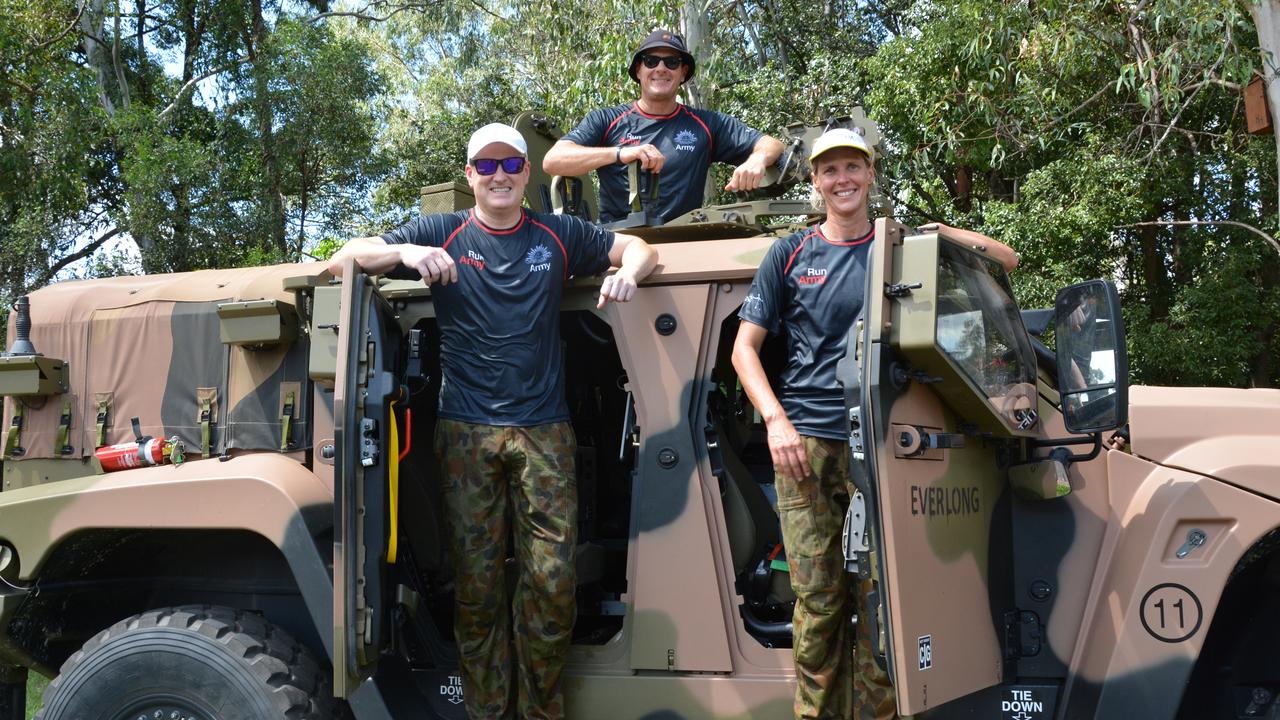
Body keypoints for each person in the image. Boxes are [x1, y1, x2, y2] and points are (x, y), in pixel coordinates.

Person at [328, 122, 657, 720]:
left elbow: (638, 247)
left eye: (511, 165)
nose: (499, 175)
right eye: (487, 166)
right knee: (477, 587)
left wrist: (628, 272)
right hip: (466, 431)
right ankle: (486, 711)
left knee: (552, 584)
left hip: (544, 429)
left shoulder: (556, 235)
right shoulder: (440, 231)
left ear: (528, 173)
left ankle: (539, 709)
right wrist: (405, 251)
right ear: (469, 175)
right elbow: (341, 262)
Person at [731, 128, 1016, 720]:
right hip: (806, 444)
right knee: (818, 600)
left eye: (853, 168)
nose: (842, 180)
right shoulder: (790, 255)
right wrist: (776, 423)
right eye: (829, 170)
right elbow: (743, 350)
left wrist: (935, 235)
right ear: (815, 181)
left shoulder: (899, 250)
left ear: (870, 174)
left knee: (885, 603)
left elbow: (1005, 260)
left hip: (884, 443)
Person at [542, 28, 784, 225]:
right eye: (651, 61)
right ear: (639, 70)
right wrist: (619, 153)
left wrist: (758, 160)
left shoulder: (706, 124)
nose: (660, 68)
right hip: (616, 244)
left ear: (683, 72)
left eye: (671, 62)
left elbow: (772, 144)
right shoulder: (606, 119)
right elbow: (553, 160)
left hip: (682, 243)